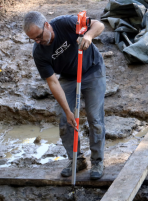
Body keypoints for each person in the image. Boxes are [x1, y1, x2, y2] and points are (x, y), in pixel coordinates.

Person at [23, 11, 106, 180]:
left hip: (92, 69)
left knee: (94, 118)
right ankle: (77, 159)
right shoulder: (39, 52)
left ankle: (97, 161)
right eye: (34, 40)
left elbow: (99, 25)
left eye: (39, 36)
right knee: (64, 119)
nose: (38, 41)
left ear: (46, 25)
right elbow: (53, 82)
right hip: (68, 77)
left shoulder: (66, 23)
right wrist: (68, 111)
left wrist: (88, 36)